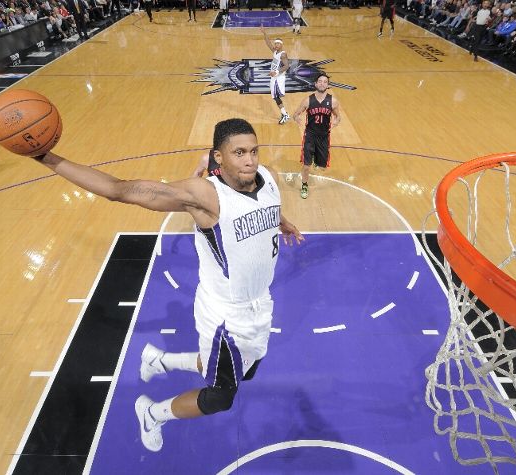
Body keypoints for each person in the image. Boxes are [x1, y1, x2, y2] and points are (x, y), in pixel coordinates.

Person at [26, 118, 303, 452]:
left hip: (261, 303)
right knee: (219, 396)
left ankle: (160, 361)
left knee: (245, 371)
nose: (250, 160)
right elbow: (120, 190)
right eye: (239, 152)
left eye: (254, 151)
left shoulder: (266, 178)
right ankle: (152, 413)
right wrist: (47, 158)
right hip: (225, 316)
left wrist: (283, 222)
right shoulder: (204, 195)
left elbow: (267, 207)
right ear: (219, 157)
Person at [292, 74, 340, 199]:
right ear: (315, 84)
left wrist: (336, 120)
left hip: (324, 136)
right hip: (310, 136)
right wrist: (297, 118)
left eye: (325, 82)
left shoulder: (333, 101)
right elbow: (295, 114)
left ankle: (315, 160)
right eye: (320, 81)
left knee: (322, 167)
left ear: (328, 85)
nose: (322, 83)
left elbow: (337, 116)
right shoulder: (308, 100)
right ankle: (304, 185)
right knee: (306, 166)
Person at [260, 26, 291, 124]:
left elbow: (286, 66)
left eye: (278, 43)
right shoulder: (275, 51)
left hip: (279, 77)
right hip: (274, 77)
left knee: (276, 96)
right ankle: (284, 113)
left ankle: (285, 114)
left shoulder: (283, 54)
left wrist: (276, 72)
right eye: (276, 43)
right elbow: (268, 44)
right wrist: (265, 33)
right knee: (275, 97)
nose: (276, 45)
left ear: (281, 44)